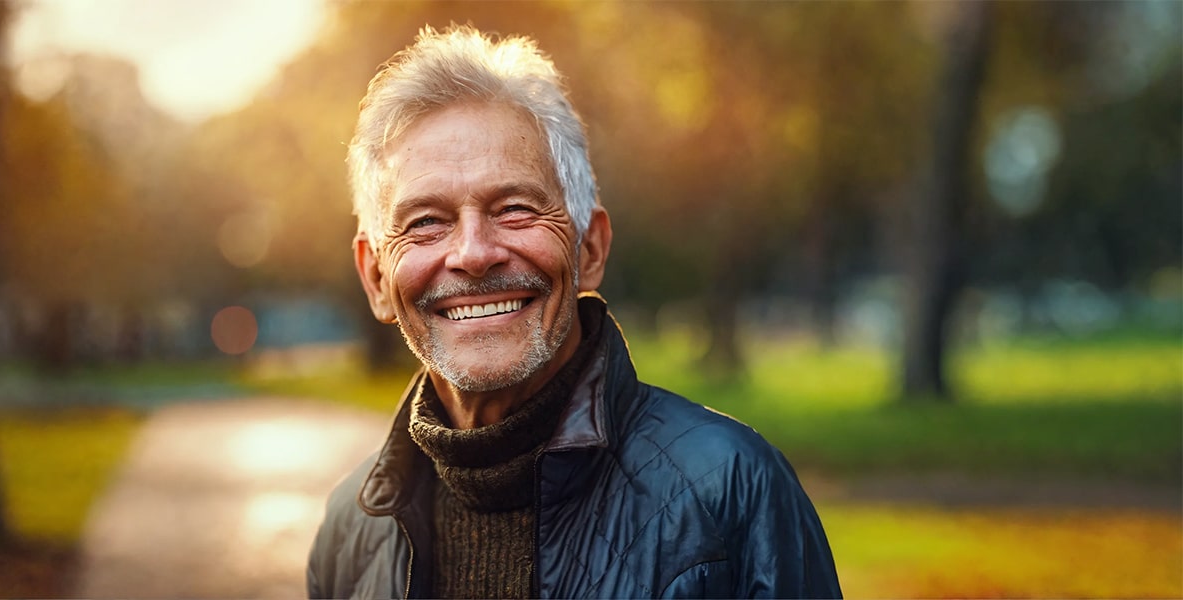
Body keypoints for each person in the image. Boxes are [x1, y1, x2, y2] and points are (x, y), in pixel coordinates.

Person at [307, 24, 841, 599]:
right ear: (376, 276)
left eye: (514, 208)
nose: (473, 254)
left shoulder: (731, 491)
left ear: (590, 249)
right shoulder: (350, 528)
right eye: (426, 222)